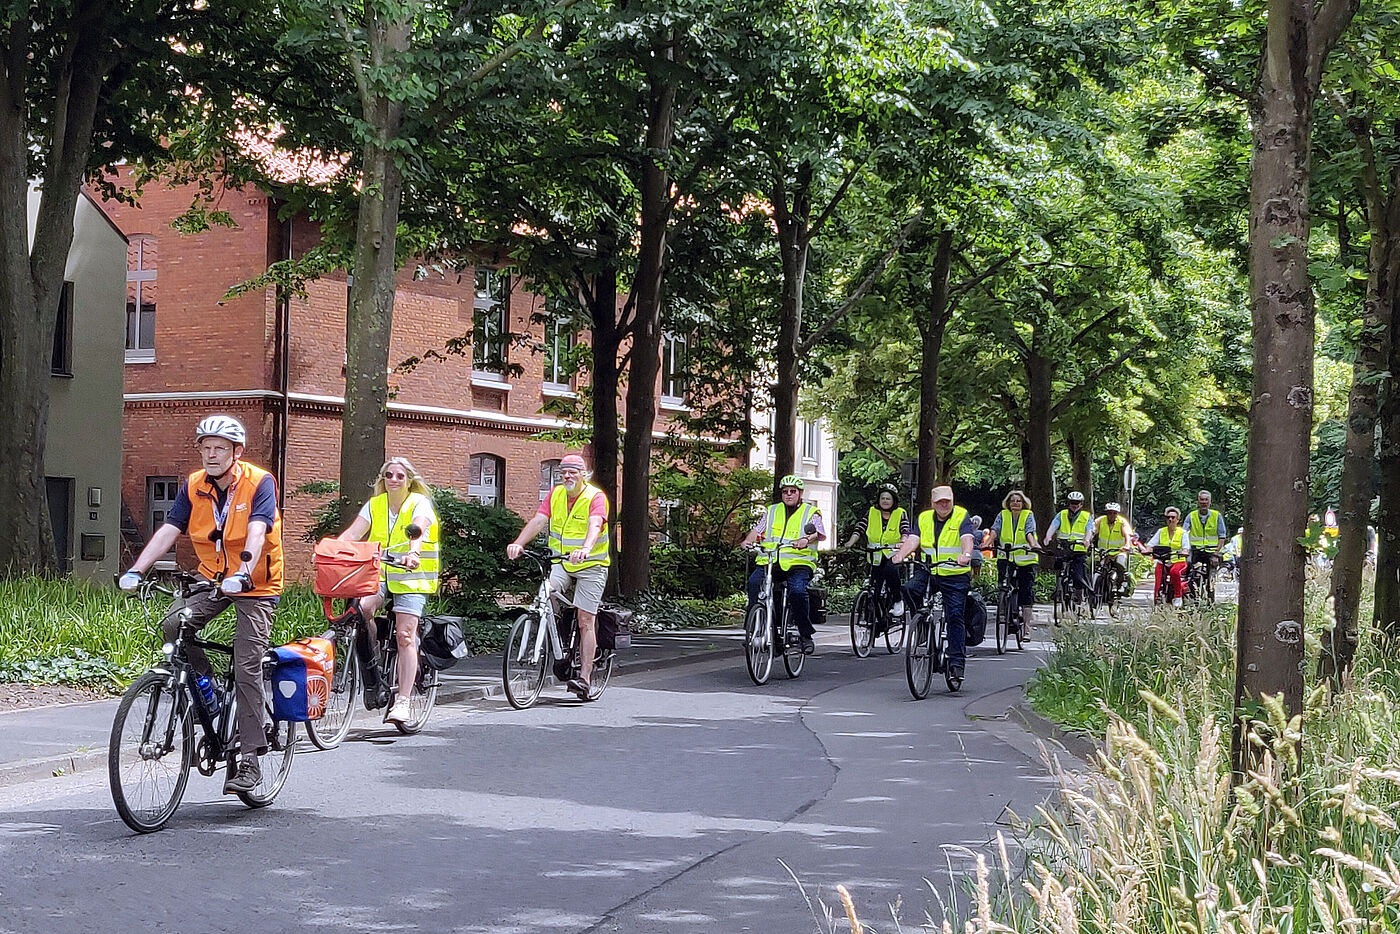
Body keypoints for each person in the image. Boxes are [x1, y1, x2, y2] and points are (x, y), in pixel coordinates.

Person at [118, 415, 283, 795]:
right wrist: (138, 569)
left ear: (236, 453)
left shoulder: (260, 483)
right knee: (175, 624)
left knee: (246, 666)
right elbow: (170, 528)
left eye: (219, 448)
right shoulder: (194, 485)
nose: (210, 454)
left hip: (255, 584)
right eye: (206, 448)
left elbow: (257, 532)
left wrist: (242, 572)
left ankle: (250, 760)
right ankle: (207, 692)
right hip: (213, 578)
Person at [336, 456, 439, 723]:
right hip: (379, 571)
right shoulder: (376, 505)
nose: (393, 480)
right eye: (388, 475)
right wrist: (330, 550)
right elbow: (352, 534)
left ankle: (403, 700)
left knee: (405, 635)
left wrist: (413, 553)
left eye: (399, 476)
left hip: (412, 575)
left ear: (409, 480)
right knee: (360, 610)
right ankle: (374, 657)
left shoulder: (419, 503)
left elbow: (419, 529)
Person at [507, 453, 611, 699]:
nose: (567, 476)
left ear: (583, 474)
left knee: (586, 619)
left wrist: (585, 548)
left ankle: (584, 678)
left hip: (591, 563)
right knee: (545, 594)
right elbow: (538, 520)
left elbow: (595, 524)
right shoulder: (555, 495)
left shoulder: (595, 497)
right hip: (562, 562)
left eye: (572, 472)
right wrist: (518, 543)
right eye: (563, 472)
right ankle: (559, 635)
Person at [892, 485, 977, 682]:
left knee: (955, 616)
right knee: (909, 589)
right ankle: (921, 625)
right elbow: (914, 539)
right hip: (929, 570)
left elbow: (967, 538)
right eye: (940, 502)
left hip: (954, 573)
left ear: (952, 500)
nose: (944, 504)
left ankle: (956, 664)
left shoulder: (961, 516)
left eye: (947, 500)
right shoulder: (924, 518)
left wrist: (965, 555)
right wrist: (900, 555)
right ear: (933, 504)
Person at [741, 475, 826, 654]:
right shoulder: (771, 511)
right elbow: (757, 530)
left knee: (797, 591)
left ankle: (805, 635)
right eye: (785, 492)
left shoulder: (810, 512)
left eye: (793, 491)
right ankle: (754, 627)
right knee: (754, 583)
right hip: (770, 560)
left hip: (798, 563)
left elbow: (818, 532)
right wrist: (747, 542)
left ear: (800, 493)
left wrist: (805, 539)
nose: (788, 495)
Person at [844, 483, 917, 619]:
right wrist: (850, 542)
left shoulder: (900, 513)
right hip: (875, 555)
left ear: (893, 500)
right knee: (874, 587)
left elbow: (905, 530)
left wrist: (902, 542)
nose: (884, 501)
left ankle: (897, 600)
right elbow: (860, 527)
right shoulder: (872, 512)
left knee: (891, 571)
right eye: (882, 498)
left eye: (888, 498)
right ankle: (874, 618)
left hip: (892, 553)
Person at [989, 490, 1039, 631]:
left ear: (1023, 503)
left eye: (1018, 501)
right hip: (1006, 556)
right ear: (1008, 503)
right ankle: (1006, 612)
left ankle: (1027, 627)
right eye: (1012, 501)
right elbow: (995, 529)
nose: (1015, 503)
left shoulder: (1028, 515)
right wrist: (988, 541)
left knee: (1026, 591)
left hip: (1026, 557)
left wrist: (1033, 545)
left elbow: (1029, 531)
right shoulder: (1002, 515)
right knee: (1004, 585)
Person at [1043, 491, 1092, 604]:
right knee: (1058, 564)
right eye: (1072, 502)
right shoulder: (1062, 514)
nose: (1074, 505)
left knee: (1078, 576)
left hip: (1078, 549)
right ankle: (1059, 586)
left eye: (1077, 503)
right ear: (1068, 503)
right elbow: (1053, 526)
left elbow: (1089, 530)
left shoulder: (1086, 516)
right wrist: (1048, 537)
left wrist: (1086, 540)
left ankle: (1079, 598)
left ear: (1081, 504)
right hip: (1064, 548)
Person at [1140, 506, 1191, 607]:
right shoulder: (1161, 531)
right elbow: (1151, 544)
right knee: (1158, 578)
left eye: (1173, 518)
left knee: (1174, 572)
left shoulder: (1182, 533)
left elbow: (1186, 547)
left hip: (1178, 560)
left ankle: (1178, 596)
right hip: (1162, 560)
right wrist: (1147, 550)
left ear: (1178, 520)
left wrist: (1184, 552)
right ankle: (1156, 600)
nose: (1170, 520)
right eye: (1168, 517)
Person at [1090, 501, 1136, 597]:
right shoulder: (1100, 521)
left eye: (1114, 513)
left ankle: (1121, 583)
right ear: (1106, 513)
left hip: (1119, 551)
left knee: (1120, 563)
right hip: (1104, 552)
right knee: (1094, 565)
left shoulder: (1122, 522)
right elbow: (1092, 531)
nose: (1112, 515)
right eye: (1110, 513)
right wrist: (1088, 540)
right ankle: (1094, 588)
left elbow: (1127, 534)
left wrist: (1127, 545)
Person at [1185, 491, 1227, 594]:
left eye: (1206, 500)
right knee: (1190, 572)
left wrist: (1216, 553)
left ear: (1210, 502)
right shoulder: (1191, 516)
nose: (1204, 502)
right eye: (1202, 499)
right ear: (1198, 501)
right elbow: (1183, 533)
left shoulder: (1217, 516)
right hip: (1196, 551)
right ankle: (1192, 594)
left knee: (1211, 578)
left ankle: (1210, 598)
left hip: (1211, 551)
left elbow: (1222, 536)